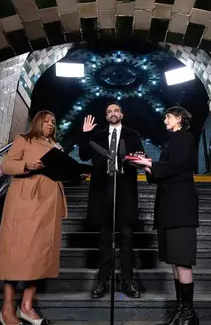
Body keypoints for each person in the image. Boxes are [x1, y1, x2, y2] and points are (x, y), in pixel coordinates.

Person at [0, 110, 68, 325]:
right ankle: (7, 310)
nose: (51, 124)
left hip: (49, 205)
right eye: (46, 121)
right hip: (26, 204)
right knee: (17, 253)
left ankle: (26, 306)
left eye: (54, 121)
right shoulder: (24, 140)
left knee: (39, 255)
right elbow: (6, 165)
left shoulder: (57, 147)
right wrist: (27, 165)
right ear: (37, 122)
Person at [133, 106, 200, 325]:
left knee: (181, 260)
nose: (164, 121)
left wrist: (151, 163)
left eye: (167, 117)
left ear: (179, 118)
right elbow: (164, 172)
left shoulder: (185, 138)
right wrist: (147, 167)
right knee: (174, 261)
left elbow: (178, 165)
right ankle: (181, 312)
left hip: (181, 206)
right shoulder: (172, 140)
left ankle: (189, 315)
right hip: (169, 207)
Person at [78, 102, 145, 299]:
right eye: (109, 111)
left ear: (122, 114)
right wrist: (85, 134)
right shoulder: (97, 135)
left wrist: (135, 159)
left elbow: (140, 158)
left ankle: (128, 281)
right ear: (106, 117)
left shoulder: (132, 135)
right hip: (102, 192)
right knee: (104, 240)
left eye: (116, 110)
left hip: (125, 192)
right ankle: (102, 281)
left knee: (126, 239)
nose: (113, 113)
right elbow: (83, 155)